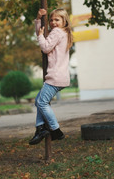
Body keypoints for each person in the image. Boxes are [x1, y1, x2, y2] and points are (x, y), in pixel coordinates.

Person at [29, 8, 73, 145]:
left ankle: (55, 130)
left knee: (41, 102)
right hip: (61, 76)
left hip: (55, 76)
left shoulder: (58, 32)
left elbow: (46, 47)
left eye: (57, 20)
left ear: (64, 21)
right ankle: (40, 128)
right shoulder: (64, 33)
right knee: (39, 100)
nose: (53, 22)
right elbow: (42, 32)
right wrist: (38, 19)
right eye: (51, 20)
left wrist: (40, 37)